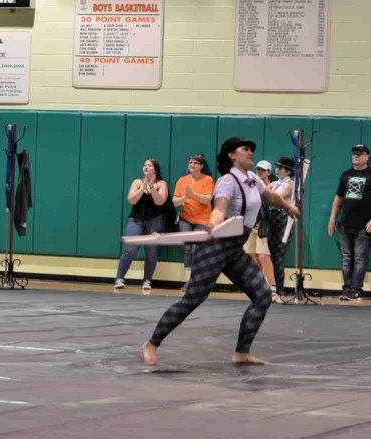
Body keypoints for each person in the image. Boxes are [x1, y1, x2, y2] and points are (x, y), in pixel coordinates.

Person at [141, 136, 300, 367]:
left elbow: (271, 197)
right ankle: (151, 344)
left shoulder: (253, 179)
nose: (251, 152)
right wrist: (213, 223)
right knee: (193, 299)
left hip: (235, 249)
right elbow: (219, 208)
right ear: (232, 155)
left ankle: (241, 353)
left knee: (263, 296)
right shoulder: (227, 181)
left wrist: (289, 207)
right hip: (215, 247)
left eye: (251, 149)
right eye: (245, 149)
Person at [326, 144, 371, 300]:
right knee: (346, 257)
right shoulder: (346, 174)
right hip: (345, 223)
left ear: (367, 157)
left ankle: (355, 289)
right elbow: (339, 197)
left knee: (360, 257)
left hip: (364, 225)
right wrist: (332, 218)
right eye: (354, 153)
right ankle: (347, 288)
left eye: (360, 154)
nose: (356, 156)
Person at [114, 158, 169, 294]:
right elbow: (131, 200)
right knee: (130, 248)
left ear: (155, 169)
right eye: (144, 165)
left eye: (149, 165)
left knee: (151, 251)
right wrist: (142, 188)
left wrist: (151, 187)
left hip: (154, 220)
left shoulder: (161, 184)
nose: (146, 167)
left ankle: (147, 280)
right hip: (136, 219)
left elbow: (160, 201)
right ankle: (120, 278)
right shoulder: (137, 182)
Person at [172, 153, 214, 294]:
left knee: (197, 249)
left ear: (201, 166)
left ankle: (197, 281)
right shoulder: (182, 180)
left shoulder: (208, 179)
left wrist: (193, 194)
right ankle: (188, 281)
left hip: (202, 220)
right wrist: (185, 197)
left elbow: (207, 200)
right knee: (187, 249)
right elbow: (175, 202)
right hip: (185, 218)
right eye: (190, 162)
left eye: (195, 163)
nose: (192, 165)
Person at [265, 156, 296, 295]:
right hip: (272, 217)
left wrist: (266, 193)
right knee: (272, 254)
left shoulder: (290, 184)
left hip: (283, 218)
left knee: (279, 256)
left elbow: (274, 198)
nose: (277, 170)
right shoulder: (274, 183)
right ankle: (277, 287)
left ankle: (280, 289)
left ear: (288, 171)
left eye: (280, 168)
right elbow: (264, 195)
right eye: (277, 167)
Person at [243, 159, 275, 288]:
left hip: (265, 225)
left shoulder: (272, 186)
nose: (260, 172)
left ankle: (272, 286)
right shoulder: (252, 186)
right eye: (258, 169)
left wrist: (261, 221)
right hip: (251, 223)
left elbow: (271, 206)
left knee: (263, 256)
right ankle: (261, 284)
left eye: (263, 170)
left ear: (269, 172)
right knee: (251, 255)